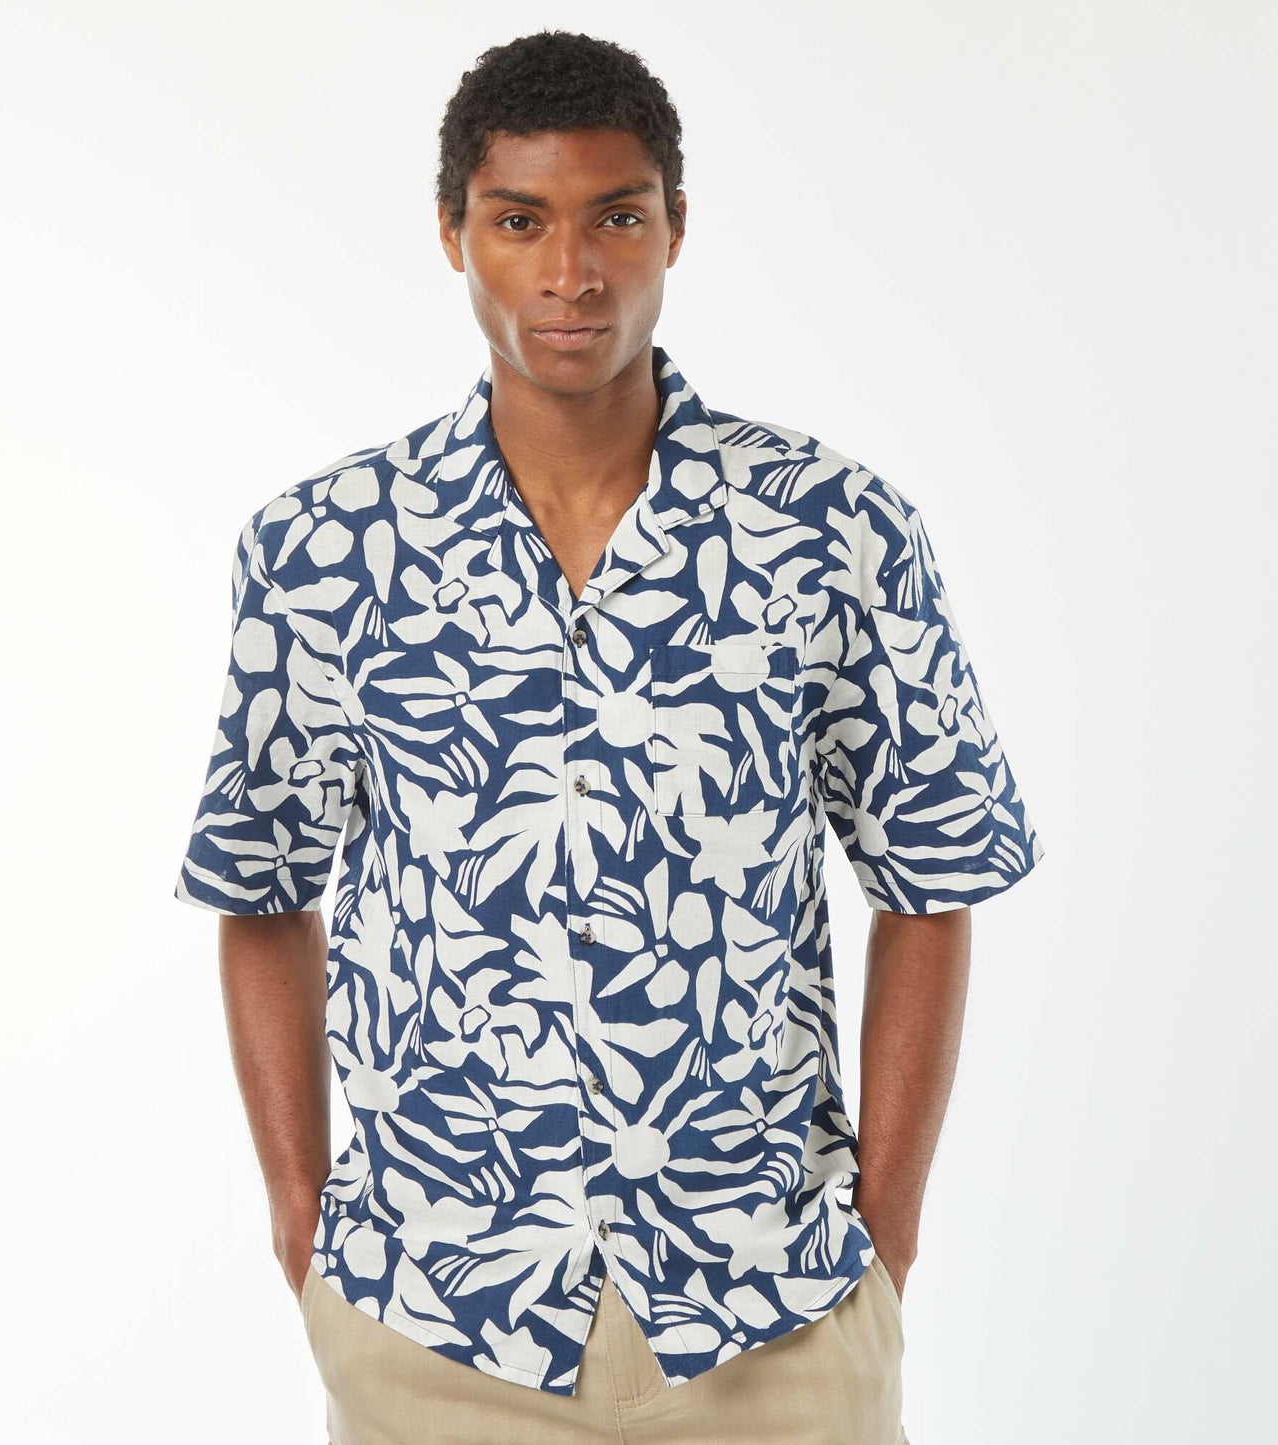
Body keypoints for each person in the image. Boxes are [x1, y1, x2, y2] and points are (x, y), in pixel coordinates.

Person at [172, 28, 1043, 1445]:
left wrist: (883, 1236)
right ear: (452, 231)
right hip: (429, 1318)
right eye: (519, 221)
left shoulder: (831, 527)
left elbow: (930, 878)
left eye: (615, 218)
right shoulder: (322, 549)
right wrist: (302, 1215)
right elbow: (261, 886)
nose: (571, 273)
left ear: (675, 227)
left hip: (772, 1317)